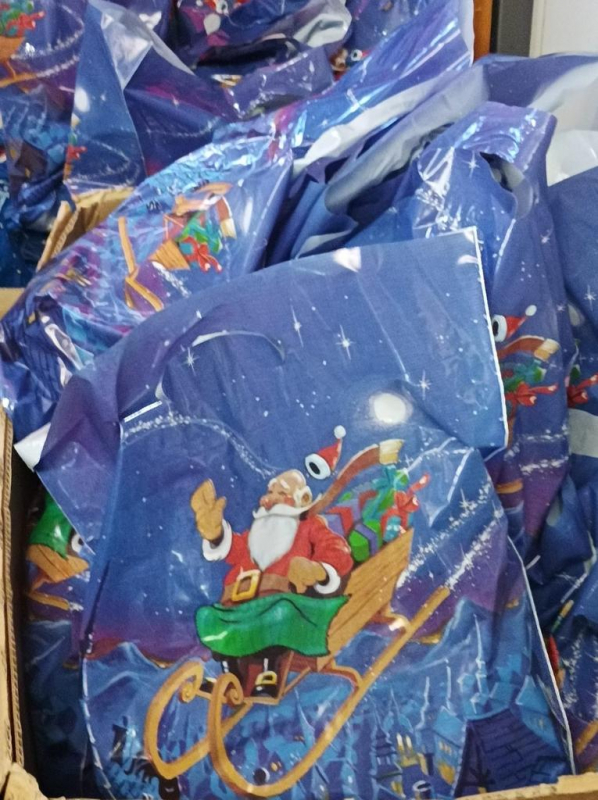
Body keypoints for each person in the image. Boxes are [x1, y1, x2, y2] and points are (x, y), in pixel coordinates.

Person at [193, 470, 353, 698]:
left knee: (279, 614)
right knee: (210, 616)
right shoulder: (258, 531)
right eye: (270, 491)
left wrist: (317, 569)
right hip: (243, 601)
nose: (270, 498)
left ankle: (268, 674)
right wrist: (216, 534)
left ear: (302, 499)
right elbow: (236, 550)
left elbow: (337, 549)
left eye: (281, 492)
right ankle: (231, 675)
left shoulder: (309, 526)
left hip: (283, 600)